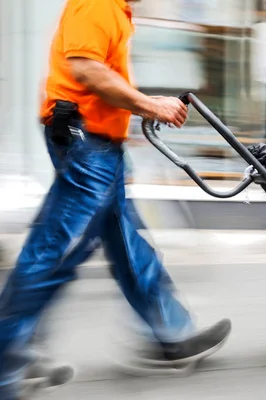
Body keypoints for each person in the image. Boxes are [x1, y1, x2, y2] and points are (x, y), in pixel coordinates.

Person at [0, 0, 232, 398]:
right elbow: (86, 69)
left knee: (126, 244)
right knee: (56, 248)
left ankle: (169, 335)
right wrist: (150, 105)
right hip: (86, 145)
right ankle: (6, 355)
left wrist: (126, 118)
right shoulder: (98, 3)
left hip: (98, 144)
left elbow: (97, 71)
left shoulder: (114, 8)